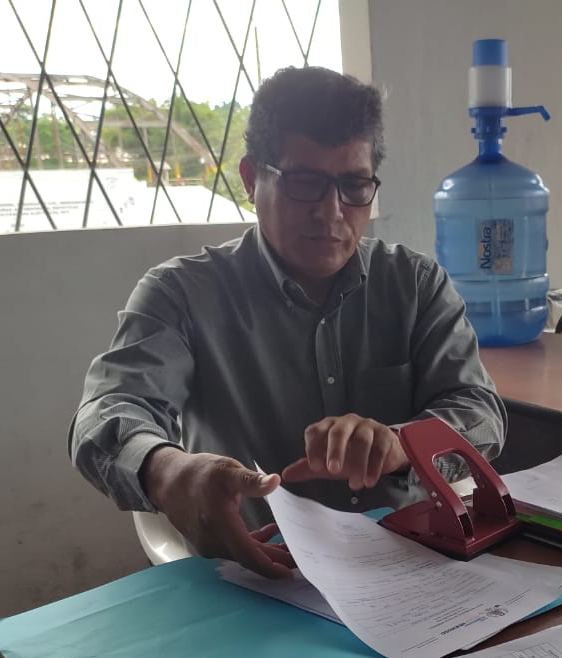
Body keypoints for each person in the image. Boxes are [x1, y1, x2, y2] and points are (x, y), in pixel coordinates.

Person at [69, 66, 506, 577]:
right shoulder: (181, 295)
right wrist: (167, 469)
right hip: (262, 574)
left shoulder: (416, 285)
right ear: (251, 179)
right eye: (304, 184)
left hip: (408, 563)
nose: (331, 212)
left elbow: (479, 410)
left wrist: (400, 443)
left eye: (354, 185)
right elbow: (107, 412)